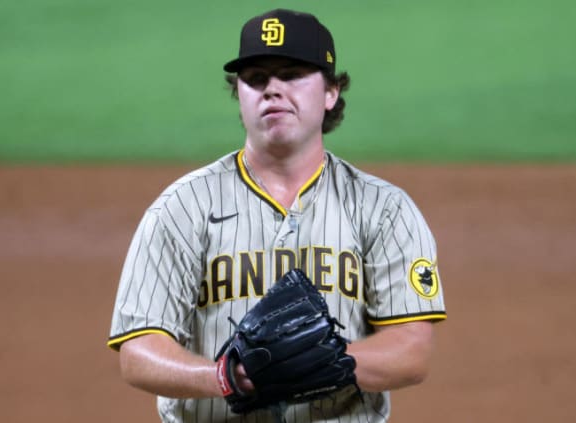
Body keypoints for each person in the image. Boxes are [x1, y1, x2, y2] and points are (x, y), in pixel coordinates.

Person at [108, 8, 446, 422]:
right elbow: (138, 352)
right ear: (240, 96)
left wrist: (315, 364)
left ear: (330, 92)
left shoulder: (384, 210)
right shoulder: (182, 208)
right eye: (255, 79)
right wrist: (226, 376)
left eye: (291, 74)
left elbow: (412, 350)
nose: (272, 89)